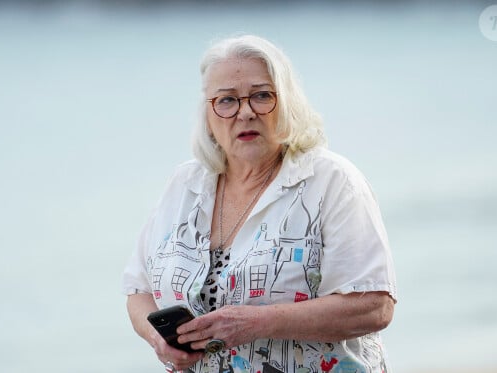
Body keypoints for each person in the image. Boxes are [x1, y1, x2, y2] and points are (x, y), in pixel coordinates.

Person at [122, 34, 397, 373]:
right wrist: (157, 338)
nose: (246, 112)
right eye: (227, 101)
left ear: (288, 103)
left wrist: (254, 323)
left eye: (262, 96)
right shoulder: (184, 185)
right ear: (208, 114)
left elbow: (374, 306)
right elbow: (138, 290)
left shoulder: (332, 181)